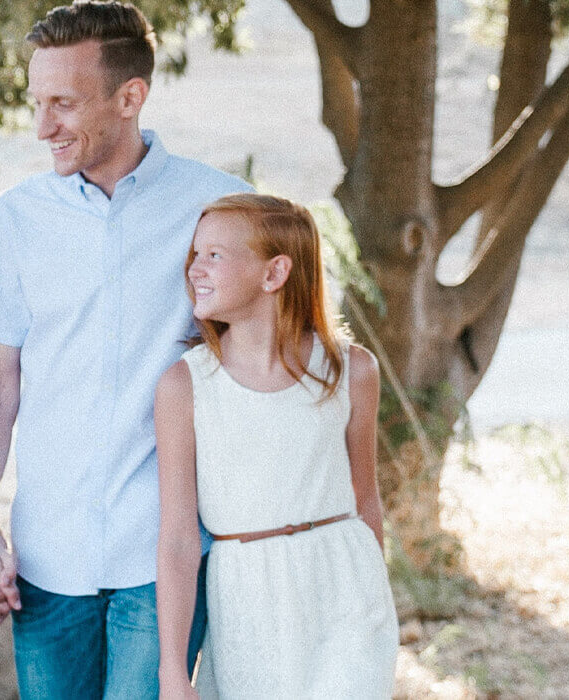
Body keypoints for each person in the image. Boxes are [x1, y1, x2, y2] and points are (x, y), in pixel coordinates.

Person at [0, 2, 254, 696]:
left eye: (62, 103)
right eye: (36, 102)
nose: (41, 127)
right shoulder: (16, 220)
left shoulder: (223, 210)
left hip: (169, 554)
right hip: (48, 559)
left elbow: (263, 372)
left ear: (130, 96)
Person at [154, 193, 398, 698]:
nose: (196, 269)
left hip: (345, 592)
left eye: (215, 255)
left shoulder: (352, 371)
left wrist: (378, 600)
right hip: (246, 598)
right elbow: (178, 538)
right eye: (194, 255)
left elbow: (365, 498)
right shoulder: (185, 385)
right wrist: (173, 671)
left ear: (274, 273)